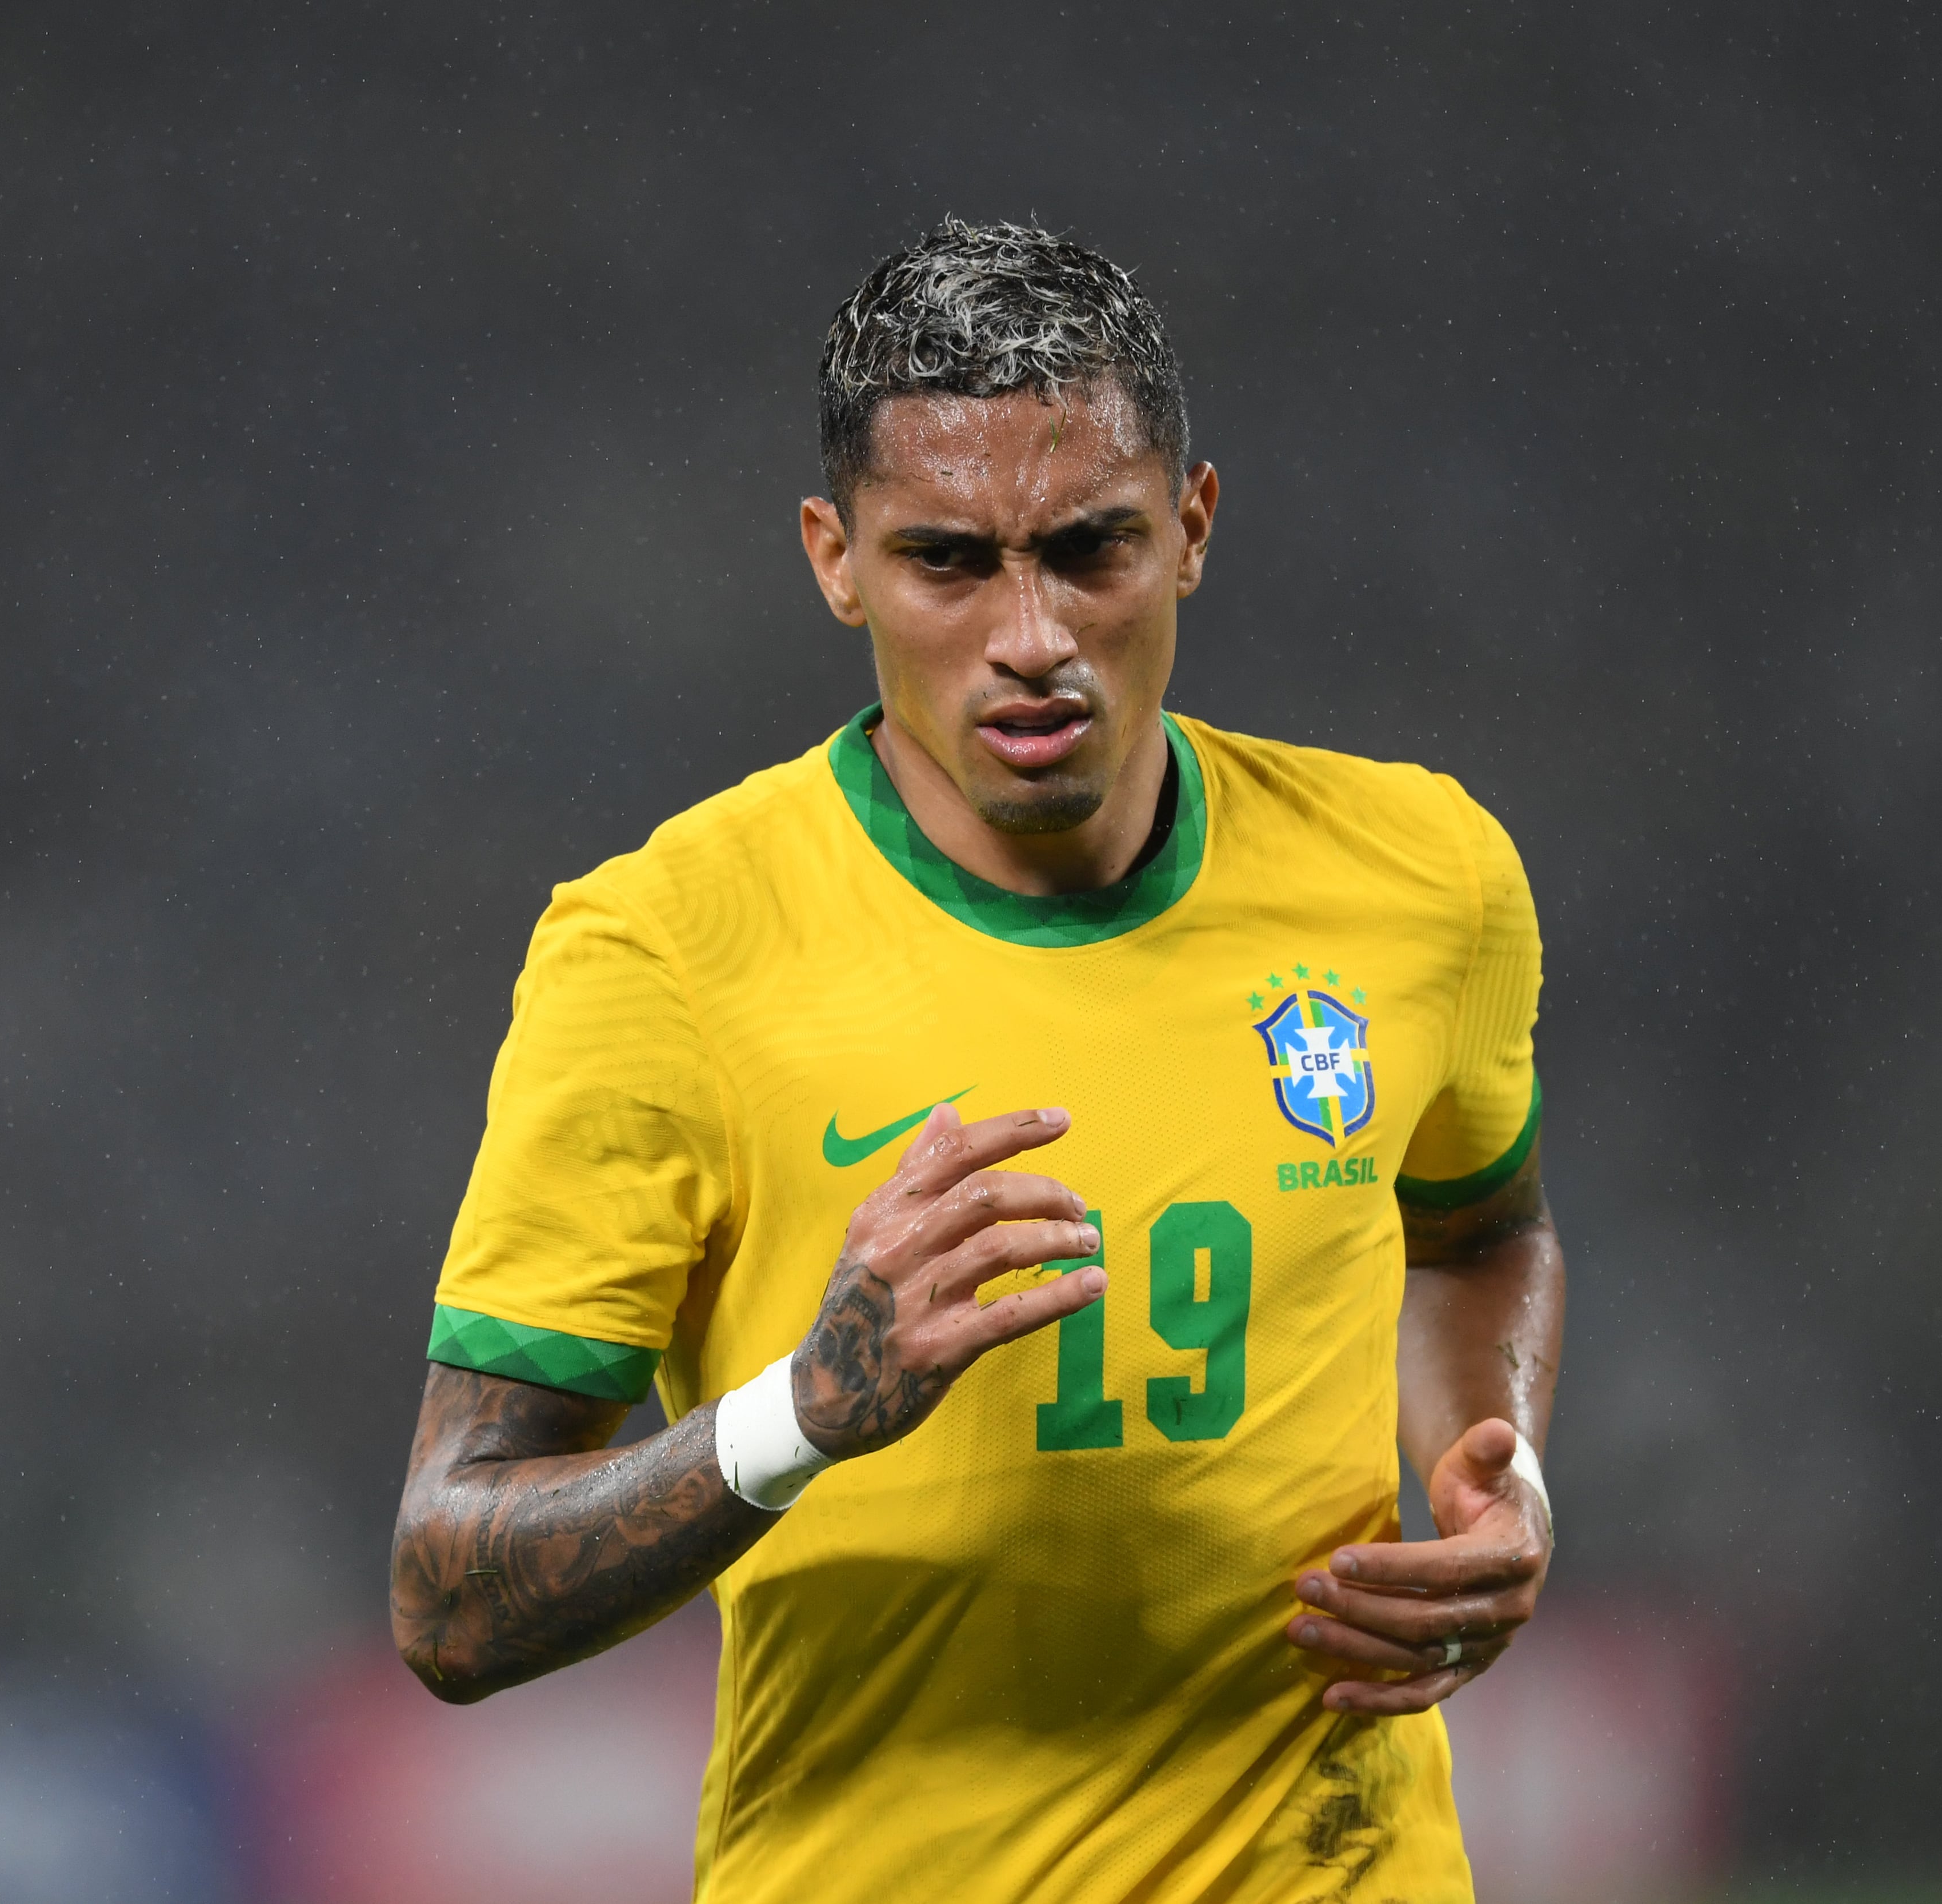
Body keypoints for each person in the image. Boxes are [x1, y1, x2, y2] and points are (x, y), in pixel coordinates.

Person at [389, 219, 1560, 1903]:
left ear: (1196, 528)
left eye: (1092, 549)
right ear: (834, 560)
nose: (1033, 634)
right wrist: (801, 1413)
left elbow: (1484, 1235)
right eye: (949, 560)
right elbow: (448, 1594)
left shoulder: (1422, 877)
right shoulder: (663, 951)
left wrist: (1498, 1472)